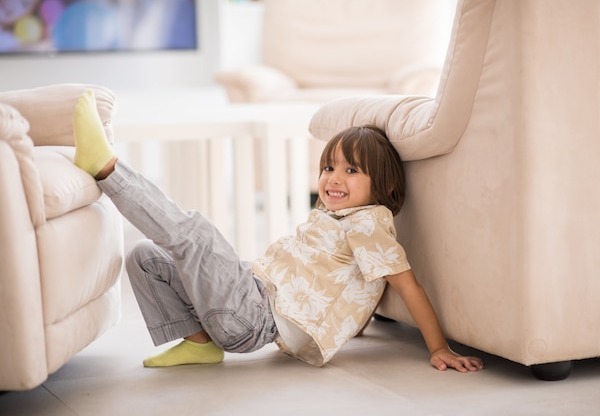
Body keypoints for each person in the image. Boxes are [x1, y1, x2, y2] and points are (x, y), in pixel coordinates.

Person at [73, 90, 484, 372]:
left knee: (195, 233)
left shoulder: (370, 222)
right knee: (145, 256)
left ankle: (108, 168)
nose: (333, 179)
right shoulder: (332, 216)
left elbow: (406, 285)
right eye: (329, 167)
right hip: (247, 296)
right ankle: (200, 344)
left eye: (351, 170)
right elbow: (343, 287)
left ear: (386, 187)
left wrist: (439, 348)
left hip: (254, 318)